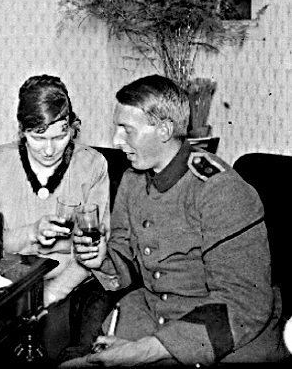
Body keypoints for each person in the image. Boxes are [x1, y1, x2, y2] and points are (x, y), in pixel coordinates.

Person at [68, 75, 288, 366]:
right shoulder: (134, 180)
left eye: (127, 130)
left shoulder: (221, 189)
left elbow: (245, 301)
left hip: (220, 334)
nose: (116, 141)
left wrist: (147, 349)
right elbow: (128, 253)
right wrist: (102, 260)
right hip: (152, 314)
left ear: (164, 130)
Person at [0, 75, 110, 308]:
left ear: (72, 128)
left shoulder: (92, 165)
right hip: (9, 283)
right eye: (38, 138)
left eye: (59, 137)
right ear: (22, 131)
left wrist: (51, 294)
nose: (49, 150)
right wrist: (32, 232)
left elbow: (93, 250)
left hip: (69, 288)